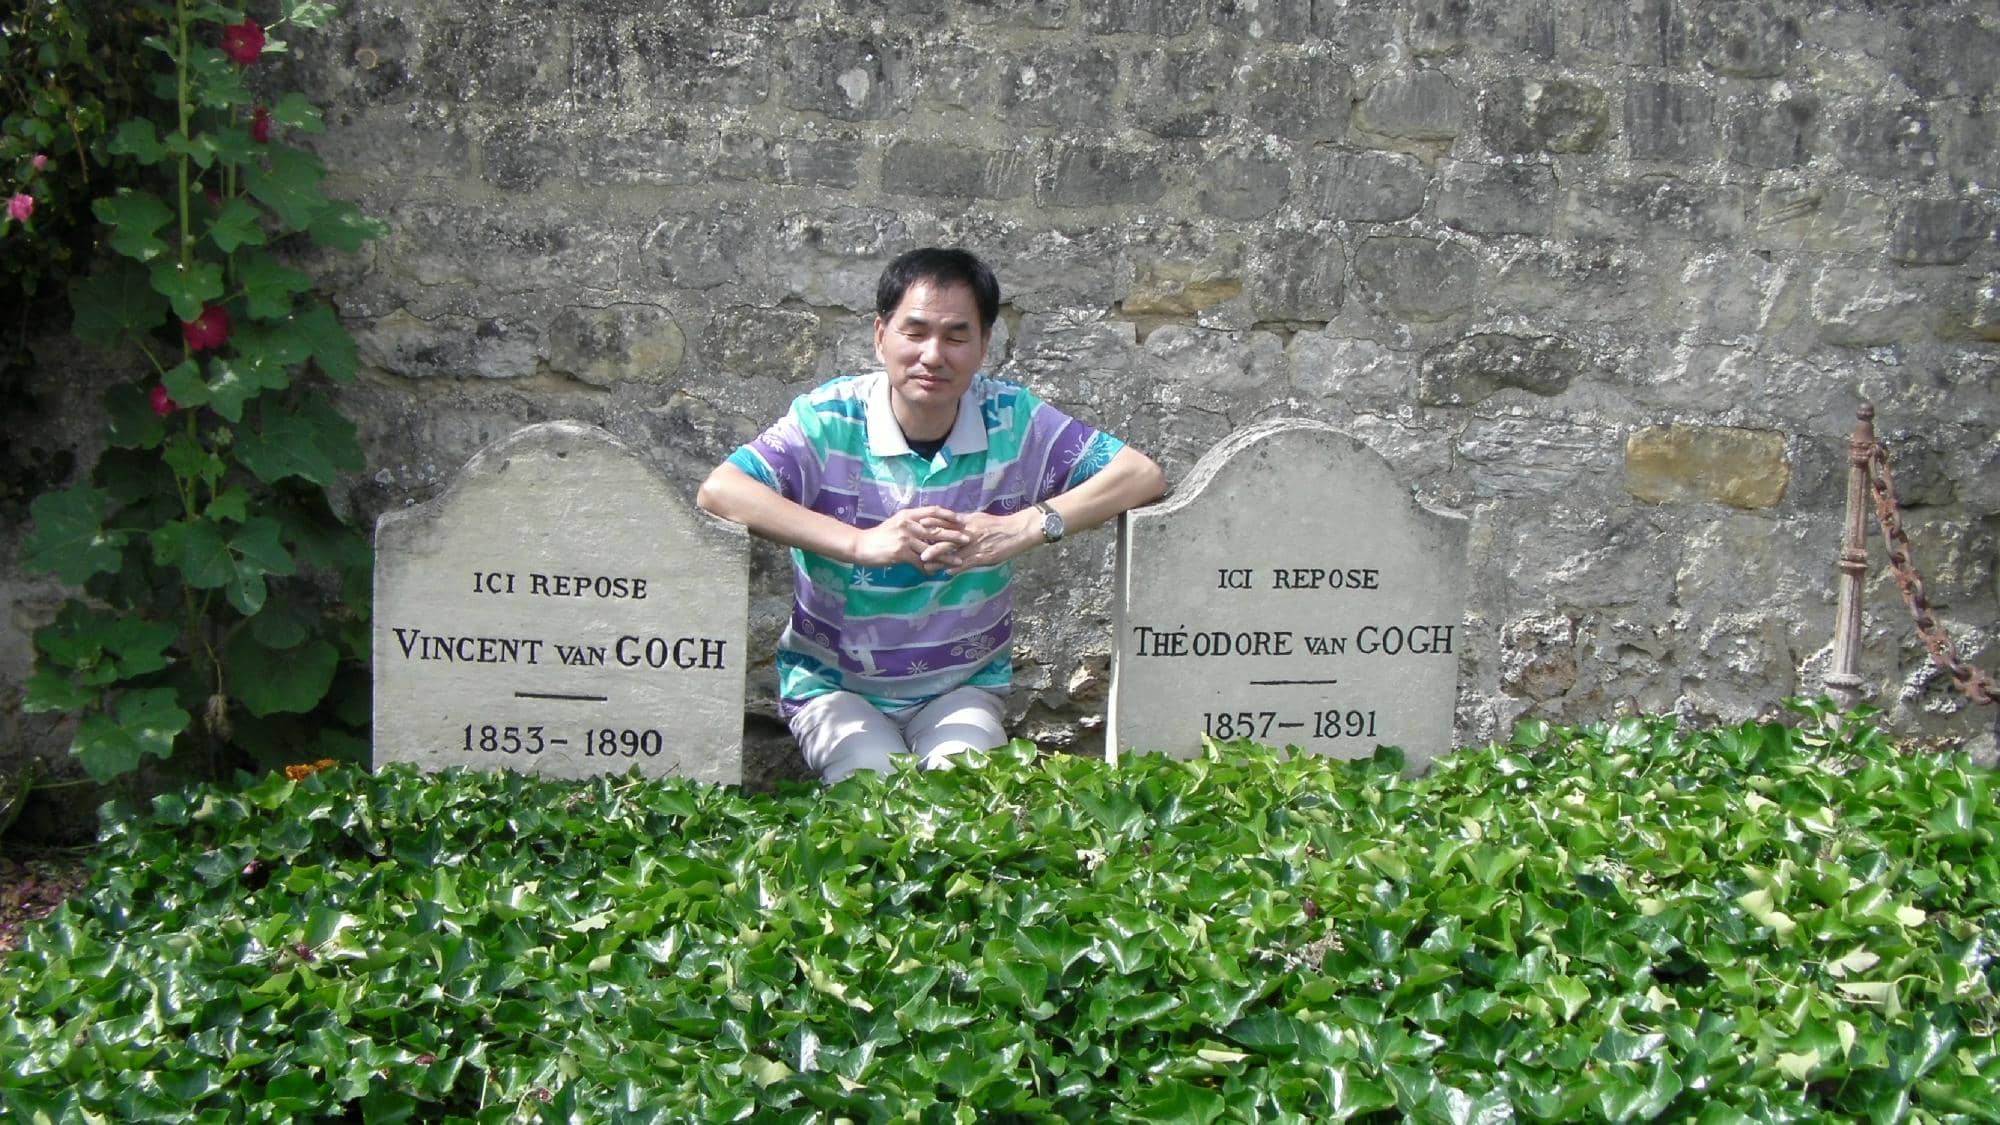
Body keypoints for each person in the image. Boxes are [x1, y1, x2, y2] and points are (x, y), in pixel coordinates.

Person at [697, 247, 1167, 783]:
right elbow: (722, 490)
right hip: (835, 686)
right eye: (914, 332)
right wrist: (859, 543)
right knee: (868, 788)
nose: (933, 355)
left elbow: (1140, 475)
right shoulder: (829, 419)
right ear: (880, 335)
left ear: (985, 344)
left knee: (956, 794)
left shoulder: (1012, 418)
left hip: (962, 686)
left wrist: (1023, 527)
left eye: (957, 336)